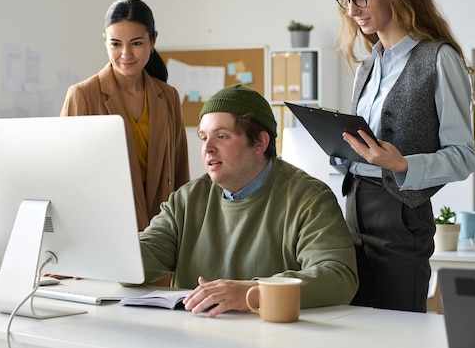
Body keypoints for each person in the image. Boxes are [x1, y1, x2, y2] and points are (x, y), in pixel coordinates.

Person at [332, 0, 475, 312]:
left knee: (399, 329)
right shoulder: (367, 67)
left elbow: (463, 157)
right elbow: (365, 148)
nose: (352, 11)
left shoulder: (439, 58)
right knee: (356, 325)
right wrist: (340, 149)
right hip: (354, 206)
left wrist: (403, 165)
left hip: (401, 214)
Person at [135, 84, 359, 318]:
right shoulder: (187, 198)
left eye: (221, 136)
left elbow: (338, 277)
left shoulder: (310, 198)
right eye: (203, 137)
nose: (207, 149)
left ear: (260, 143)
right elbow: (140, 258)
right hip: (195, 334)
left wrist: (252, 292)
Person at [61, 0, 190, 234]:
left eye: (137, 43)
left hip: (162, 234)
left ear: (153, 41)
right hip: (105, 233)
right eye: (116, 43)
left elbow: (180, 173)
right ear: (105, 42)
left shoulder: (168, 97)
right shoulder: (82, 95)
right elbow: (66, 180)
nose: (126, 54)